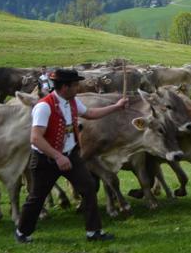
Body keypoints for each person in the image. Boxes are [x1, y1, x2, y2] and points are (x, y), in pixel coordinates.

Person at [15, 69, 128, 243]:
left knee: (88, 188)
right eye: (75, 85)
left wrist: (116, 107)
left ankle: (94, 232)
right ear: (65, 87)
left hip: (71, 155)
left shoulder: (72, 101)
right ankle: (22, 232)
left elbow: (90, 114)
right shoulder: (44, 106)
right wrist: (58, 157)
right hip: (46, 159)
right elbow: (35, 138)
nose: (78, 87)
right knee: (37, 197)